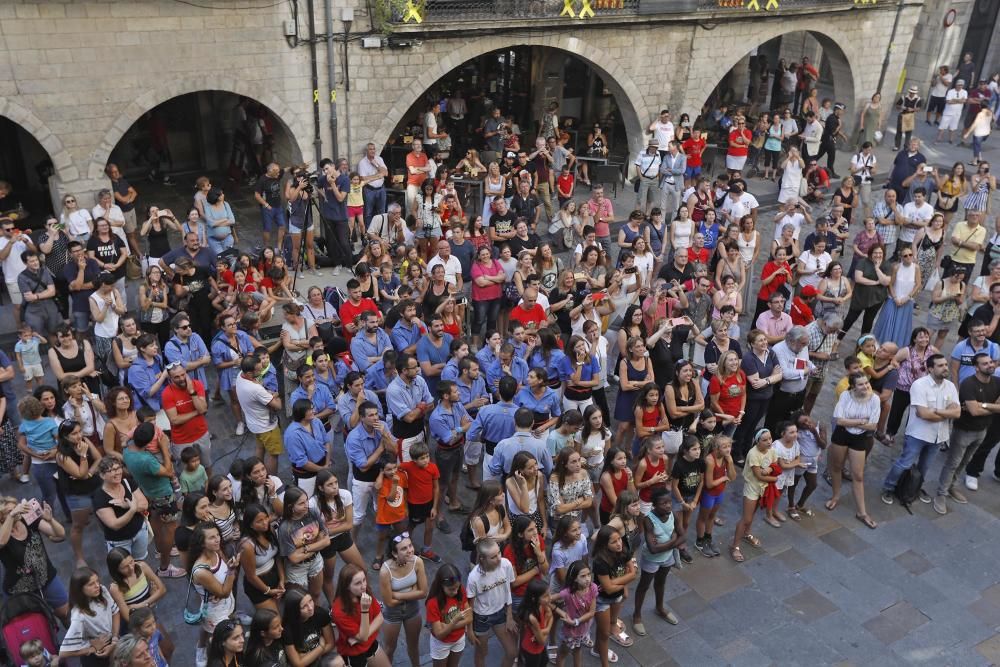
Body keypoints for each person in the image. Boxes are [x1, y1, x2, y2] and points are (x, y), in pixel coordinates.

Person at [880, 354, 960, 506]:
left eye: (945, 365)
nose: (945, 368)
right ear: (930, 369)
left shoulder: (950, 386)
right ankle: (889, 487)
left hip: (938, 437)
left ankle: (913, 489)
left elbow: (957, 413)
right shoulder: (919, 385)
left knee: (925, 466)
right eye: (940, 365)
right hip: (918, 434)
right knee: (904, 463)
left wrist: (935, 411)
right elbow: (923, 414)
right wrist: (945, 412)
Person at [932, 353, 1000, 514]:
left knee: (965, 461)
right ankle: (940, 494)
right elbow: (974, 412)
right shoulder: (969, 384)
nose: (990, 365)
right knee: (953, 463)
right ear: (976, 368)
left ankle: (951, 487)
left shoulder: (997, 382)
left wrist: (982, 405)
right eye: (985, 364)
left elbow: (985, 408)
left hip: (982, 431)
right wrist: (990, 408)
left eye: (991, 362)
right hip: (964, 430)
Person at [378, 532, 427, 667]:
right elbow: (389, 602)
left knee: (414, 646)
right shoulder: (385, 571)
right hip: (393, 613)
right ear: (394, 554)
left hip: (413, 610)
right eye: (404, 548)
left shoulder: (418, 562)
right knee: (389, 649)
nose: (410, 550)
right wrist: (413, 591)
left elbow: (423, 592)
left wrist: (397, 594)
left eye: (410, 546)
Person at [331, 564, 392, 667]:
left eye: (364, 580)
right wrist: (365, 610)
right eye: (358, 583)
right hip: (354, 653)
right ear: (346, 586)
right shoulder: (338, 611)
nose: (363, 586)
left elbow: (380, 618)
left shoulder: (365, 592)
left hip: (370, 643)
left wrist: (357, 638)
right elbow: (363, 637)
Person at [58, 567, 120, 665]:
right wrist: (91, 648)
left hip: (112, 641)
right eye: (91, 584)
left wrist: (115, 640)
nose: (97, 586)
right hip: (97, 656)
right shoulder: (78, 616)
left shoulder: (102, 591)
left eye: (97, 581)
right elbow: (63, 653)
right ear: (80, 589)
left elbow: (115, 612)